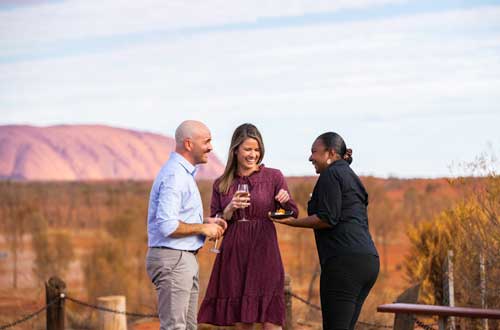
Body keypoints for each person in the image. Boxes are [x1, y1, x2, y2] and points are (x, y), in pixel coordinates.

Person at [270, 132, 379, 330]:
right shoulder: (350, 176)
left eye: (314, 152)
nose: (310, 157)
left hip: (344, 263)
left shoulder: (331, 174)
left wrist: (290, 222)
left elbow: (328, 218)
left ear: (330, 153)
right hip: (368, 261)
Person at [198, 123, 298, 330]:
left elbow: (293, 213)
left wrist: (285, 201)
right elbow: (214, 225)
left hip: (265, 250)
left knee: (271, 320)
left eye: (257, 149)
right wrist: (229, 209)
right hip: (235, 252)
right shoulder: (221, 183)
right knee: (243, 320)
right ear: (235, 150)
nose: (253, 154)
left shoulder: (274, 176)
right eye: (248, 149)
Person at [145, 120, 227, 330]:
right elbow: (167, 225)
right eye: (206, 141)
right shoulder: (175, 176)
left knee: (188, 327)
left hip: (182, 258)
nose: (210, 147)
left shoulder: (183, 174)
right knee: (175, 327)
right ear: (189, 144)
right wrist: (202, 228)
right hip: (173, 258)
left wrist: (205, 222)